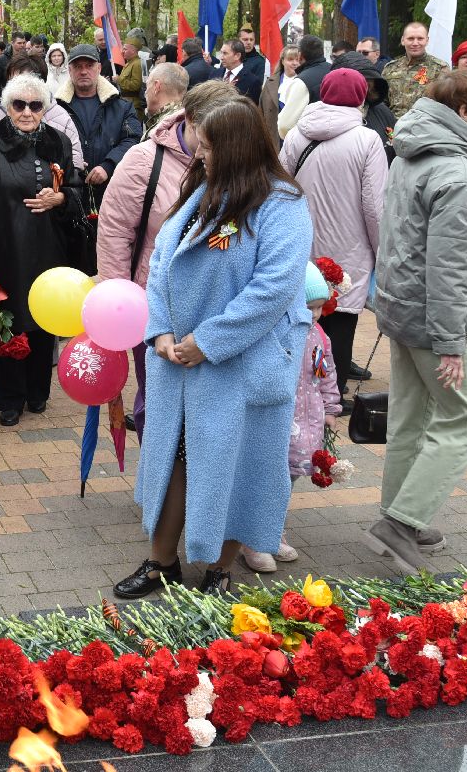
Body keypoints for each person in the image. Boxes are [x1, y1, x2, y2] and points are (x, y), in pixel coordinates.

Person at [112, 100, 312, 599]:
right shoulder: (200, 191)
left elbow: (274, 288)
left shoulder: (282, 205)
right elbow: (159, 266)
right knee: (174, 457)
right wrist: (158, 330)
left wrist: (209, 342)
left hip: (241, 363)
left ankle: (221, 569)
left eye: (208, 147)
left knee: (237, 463)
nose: (199, 156)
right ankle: (161, 562)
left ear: (239, 149)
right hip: (178, 360)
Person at [369, 69, 467, 574]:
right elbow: (449, 268)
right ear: (465, 114)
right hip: (438, 321)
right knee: (466, 420)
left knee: (413, 416)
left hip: (404, 310)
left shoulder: (415, 157)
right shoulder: (459, 176)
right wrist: (451, 342)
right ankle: (403, 522)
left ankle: (399, 514)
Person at [98, 81, 242, 434]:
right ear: (190, 120)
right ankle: (161, 479)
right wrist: (118, 306)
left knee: (212, 408)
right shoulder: (144, 161)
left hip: (220, 308)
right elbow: (116, 232)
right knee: (160, 403)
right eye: (211, 133)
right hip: (156, 306)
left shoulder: (237, 158)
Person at [0, 73, 86, 426]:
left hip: (49, 247)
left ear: (45, 108)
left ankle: (38, 392)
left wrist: (63, 196)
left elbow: (78, 189)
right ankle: (8, 398)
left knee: (43, 319)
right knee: (5, 320)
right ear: (7, 107)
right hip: (2, 248)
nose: (26, 112)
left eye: (35, 106)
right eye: (19, 105)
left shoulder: (60, 141)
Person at [279, 68, 388, 382]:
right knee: (341, 321)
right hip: (350, 245)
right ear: (360, 96)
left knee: (304, 317)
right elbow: (375, 207)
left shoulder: (297, 134)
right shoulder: (368, 140)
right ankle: (332, 390)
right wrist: (382, 249)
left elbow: (282, 186)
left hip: (302, 240)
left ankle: (305, 384)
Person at [269, 261, 347, 570]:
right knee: (272, 477)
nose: (314, 314)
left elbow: (326, 372)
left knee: (288, 479)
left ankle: (274, 530)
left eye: (318, 307)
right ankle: (261, 535)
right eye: (308, 307)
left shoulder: (319, 337)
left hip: (307, 419)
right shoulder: (279, 333)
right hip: (281, 418)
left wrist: (331, 407)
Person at [57, 44, 143, 215]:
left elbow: (132, 139)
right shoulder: (55, 108)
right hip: (68, 195)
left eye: (89, 66)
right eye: (78, 66)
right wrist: (69, 164)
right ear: (69, 70)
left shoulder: (122, 107)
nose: (83, 71)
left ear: (98, 68)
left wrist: (108, 165)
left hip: (111, 194)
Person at [0, 52, 87, 169]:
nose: (23, 88)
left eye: (28, 82)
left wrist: (59, 186)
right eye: (16, 82)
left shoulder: (61, 118)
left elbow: (75, 164)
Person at [383, 22, 449, 117]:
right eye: (410, 39)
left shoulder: (440, 68)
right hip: (393, 127)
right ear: (403, 40)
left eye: (420, 39)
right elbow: (382, 102)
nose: (415, 43)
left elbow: (445, 104)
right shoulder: (390, 68)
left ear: (427, 40)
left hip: (424, 126)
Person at [273, 45, 310, 139]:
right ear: (282, 61)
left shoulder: (306, 82)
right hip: (274, 136)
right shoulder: (271, 83)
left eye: (298, 60)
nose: (295, 63)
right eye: (290, 59)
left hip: (298, 136)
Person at [142, 62, 189, 134]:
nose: (146, 92)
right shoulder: (190, 121)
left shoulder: (161, 130)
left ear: (156, 87)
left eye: (147, 86)